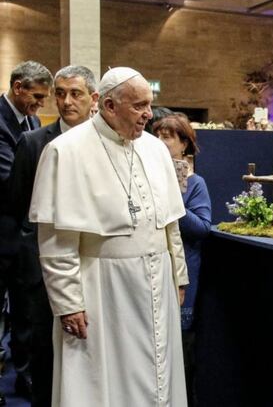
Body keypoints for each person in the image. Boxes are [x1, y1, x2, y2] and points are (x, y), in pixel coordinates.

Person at [28, 67, 189, 406]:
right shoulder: (65, 151)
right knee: (102, 381)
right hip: (102, 287)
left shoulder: (156, 149)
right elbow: (57, 240)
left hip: (157, 281)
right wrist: (68, 303)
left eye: (149, 104)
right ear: (109, 105)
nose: (148, 114)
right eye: (139, 106)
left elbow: (171, 223)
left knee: (160, 373)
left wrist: (179, 277)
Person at [8, 66, 97, 407]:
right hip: (43, 273)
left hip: (94, 267)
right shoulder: (33, 143)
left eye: (75, 93)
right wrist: (32, 267)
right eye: (60, 93)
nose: (65, 101)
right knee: (45, 357)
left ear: (94, 99)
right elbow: (19, 207)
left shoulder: (105, 145)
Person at [0, 60, 52, 403]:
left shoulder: (31, 120)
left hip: (23, 239)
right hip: (1, 235)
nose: (42, 104)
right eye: (37, 96)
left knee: (24, 314)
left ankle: (23, 376)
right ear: (18, 87)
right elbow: (8, 178)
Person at [153, 114, 211, 407]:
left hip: (184, 274)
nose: (161, 143)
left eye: (168, 137)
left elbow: (202, 228)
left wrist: (174, 199)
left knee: (182, 349)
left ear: (184, 144)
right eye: (158, 135)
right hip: (150, 271)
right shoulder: (146, 175)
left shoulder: (195, 183)